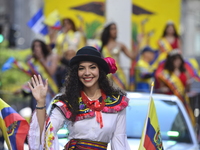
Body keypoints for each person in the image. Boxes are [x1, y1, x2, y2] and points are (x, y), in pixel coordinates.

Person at [27, 46, 130, 150]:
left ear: (100, 70)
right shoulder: (68, 101)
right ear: (76, 73)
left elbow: (119, 140)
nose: (87, 72)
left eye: (92, 67)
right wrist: (40, 103)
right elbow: (47, 131)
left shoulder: (116, 103)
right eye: (81, 68)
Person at [155, 50, 195, 125]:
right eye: (175, 59)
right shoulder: (166, 73)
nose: (178, 61)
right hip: (169, 100)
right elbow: (161, 87)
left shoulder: (185, 71)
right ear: (171, 61)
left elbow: (187, 89)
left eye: (179, 59)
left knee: (183, 120)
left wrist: (188, 84)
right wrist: (164, 89)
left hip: (182, 100)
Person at [100, 22, 138, 90]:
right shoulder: (102, 46)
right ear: (108, 31)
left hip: (118, 75)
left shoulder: (120, 45)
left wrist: (138, 43)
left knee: (120, 94)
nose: (115, 31)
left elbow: (132, 56)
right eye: (112, 29)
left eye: (115, 29)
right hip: (106, 75)